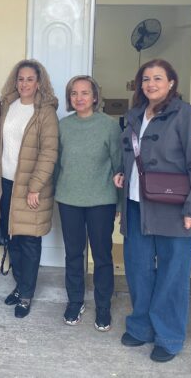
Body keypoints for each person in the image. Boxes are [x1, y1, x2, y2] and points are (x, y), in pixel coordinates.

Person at [112, 59, 191, 362]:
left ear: (171, 83)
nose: (151, 84)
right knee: (138, 268)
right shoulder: (134, 114)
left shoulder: (188, 116)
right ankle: (141, 327)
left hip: (174, 207)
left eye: (157, 78)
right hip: (135, 205)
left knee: (172, 275)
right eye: (146, 79)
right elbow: (130, 155)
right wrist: (122, 174)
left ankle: (169, 337)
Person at [0, 59, 59, 318]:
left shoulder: (45, 112)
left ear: (39, 83)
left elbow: (49, 152)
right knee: (12, 237)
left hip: (30, 187)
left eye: (30, 79)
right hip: (5, 184)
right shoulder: (8, 105)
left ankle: (26, 294)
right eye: (20, 79)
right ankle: (19, 286)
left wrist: (35, 186)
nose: (24, 84)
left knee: (29, 241)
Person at [55, 75, 121, 330]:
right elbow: (56, 164)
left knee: (102, 255)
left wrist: (118, 204)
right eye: (74, 93)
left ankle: (103, 306)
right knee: (73, 253)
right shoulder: (63, 126)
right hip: (69, 199)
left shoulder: (109, 126)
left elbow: (119, 166)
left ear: (95, 97)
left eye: (85, 93)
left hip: (101, 200)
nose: (79, 98)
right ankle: (75, 301)